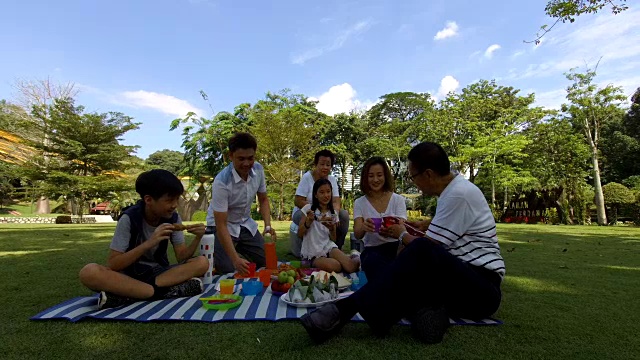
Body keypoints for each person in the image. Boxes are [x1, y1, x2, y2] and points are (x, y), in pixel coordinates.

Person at [300, 142, 505, 344]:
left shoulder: (458, 194)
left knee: (419, 251)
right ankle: (425, 313)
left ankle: (345, 309)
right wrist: (425, 224)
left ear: (428, 174)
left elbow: (426, 249)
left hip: (480, 289)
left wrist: (401, 234)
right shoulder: (453, 191)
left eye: (413, 176)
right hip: (454, 280)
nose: (413, 182)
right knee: (395, 270)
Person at [79, 169, 209, 309]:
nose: (175, 205)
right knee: (89, 272)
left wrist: (198, 238)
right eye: (169, 200)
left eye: (177, 199)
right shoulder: (129, 218)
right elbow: (114, 264)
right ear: (148, 200)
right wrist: (150, 242)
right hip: (129, 277)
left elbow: (182, 256)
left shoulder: (173, 218)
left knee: (202, 262)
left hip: (160, 276)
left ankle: (129, 296)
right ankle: (162, 292)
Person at [206, 132, 277, 275]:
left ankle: (234, 252)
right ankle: (215, 256)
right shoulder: (221, 182)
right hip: (220, 227)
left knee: (269, 262)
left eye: (250, 158)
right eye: (241, 159)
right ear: (230, 156)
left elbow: (263, 199)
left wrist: (268, 225)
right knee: (228, 269)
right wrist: (235, 259)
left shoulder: (258, 169)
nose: (246, 164)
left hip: (244, 224)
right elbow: (221, 225)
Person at [353, 157, 407, 281]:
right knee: (373, 262)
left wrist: (393, 229)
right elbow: (357, 234)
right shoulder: (360, 202)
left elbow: (404, 228)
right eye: (371, 176)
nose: (375, 180)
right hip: (372, 250)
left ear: (385, 176)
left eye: (379, 175)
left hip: (396, 248)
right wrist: (364, 227)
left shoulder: (398, 200)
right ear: (365, 178)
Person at [290, 150, 349, 257]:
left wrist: (334, 215)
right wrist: (316, 211)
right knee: (304, 216)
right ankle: (309, 251)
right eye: (322, 164)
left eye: (328, 165)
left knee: (343, 215)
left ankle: (336, 247)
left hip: (326, 211)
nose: (325, 167)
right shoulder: (307, 177)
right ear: (316, 164)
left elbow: (336, 201)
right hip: (305, 212)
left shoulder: (332, 179)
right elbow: (298, 200)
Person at [298, 179, 360, 273]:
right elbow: (300, 234)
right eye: (322, 192)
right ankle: (309, 263)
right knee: (336, 267)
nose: (326, 195)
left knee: (351, 267)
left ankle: (354, 256)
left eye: (328, 192)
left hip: (328, 247)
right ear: (316, 194)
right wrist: (308, 222)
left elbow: (333, 239)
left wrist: (331, 229)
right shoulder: (308, 209)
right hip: (312, 252)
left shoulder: (333, 213)